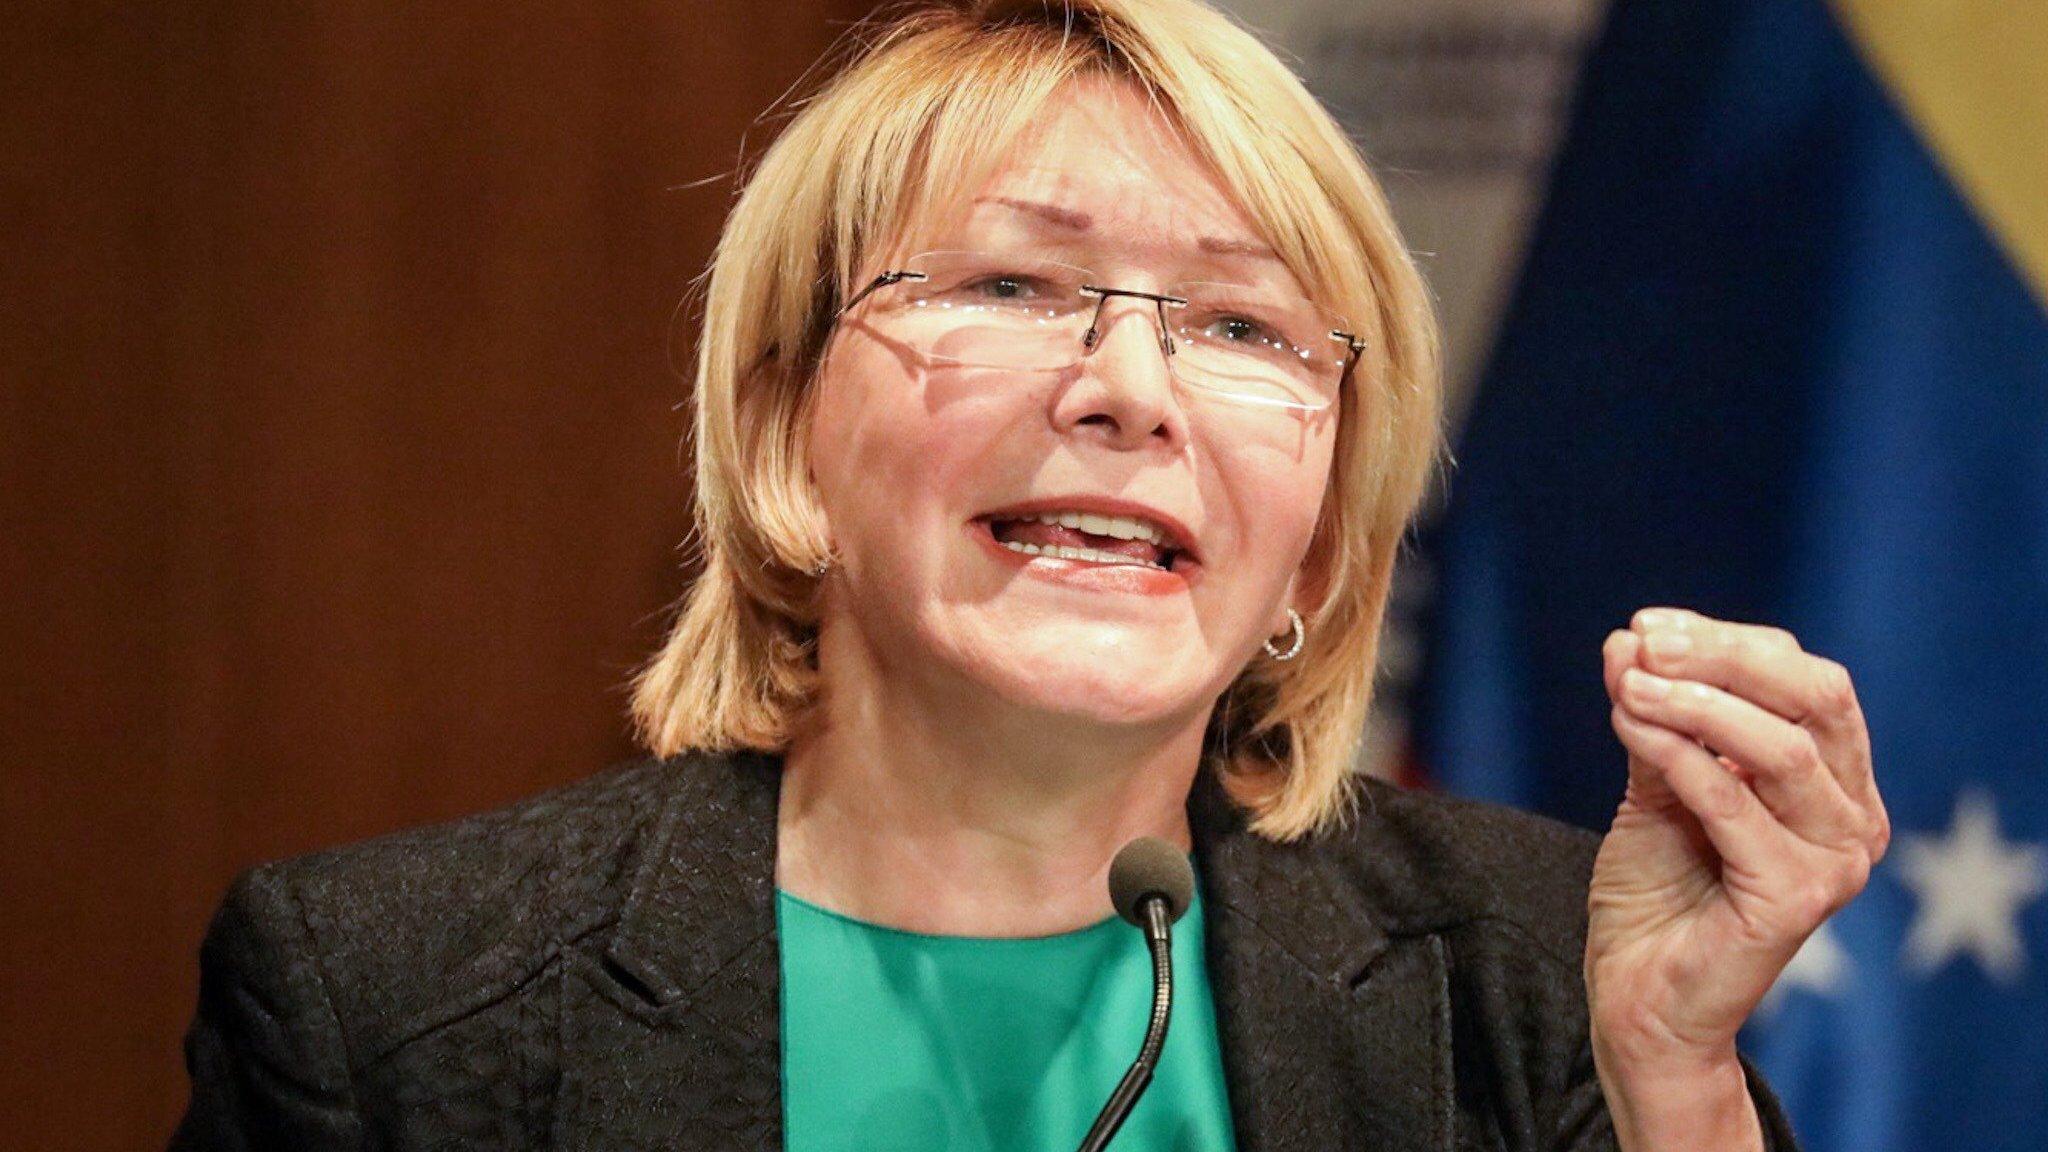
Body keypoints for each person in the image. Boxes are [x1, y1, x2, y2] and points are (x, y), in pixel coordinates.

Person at [169, 1, 1890, 1149]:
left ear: (1320, 530)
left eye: (1236, 325)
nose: (1129, 391)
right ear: (785, 438)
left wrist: (1674, 1089)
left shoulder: (1529, 975)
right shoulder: (387, 1005)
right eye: (1010, 287)